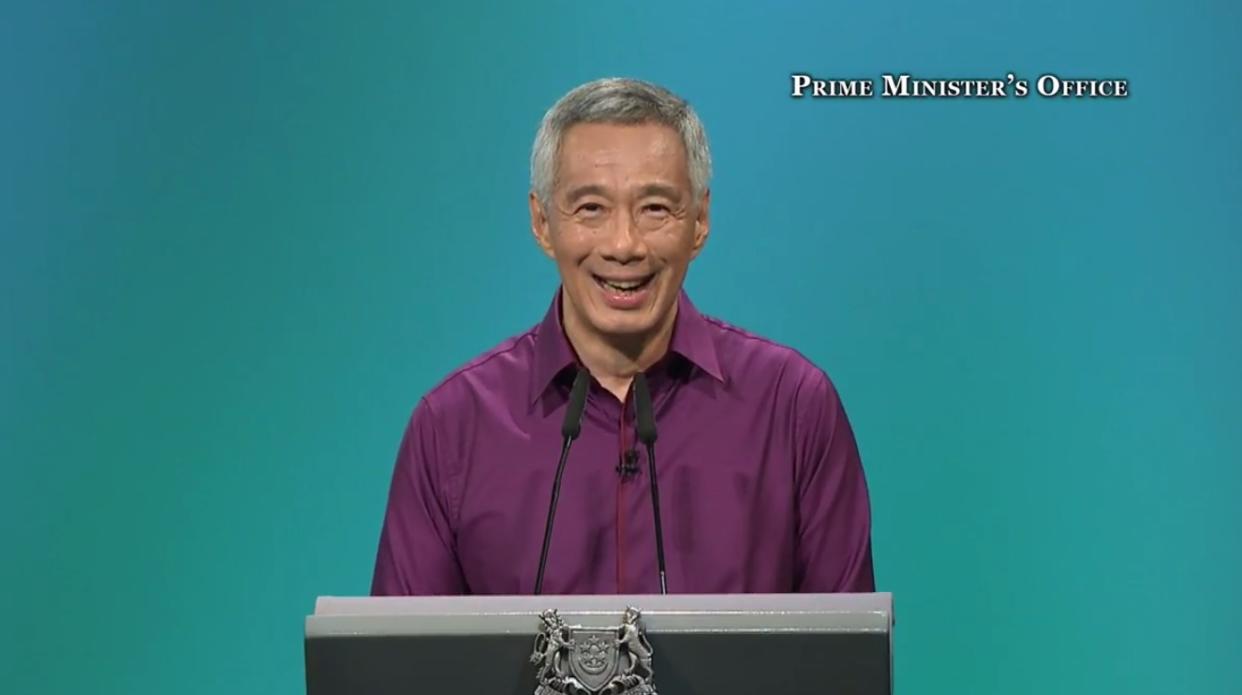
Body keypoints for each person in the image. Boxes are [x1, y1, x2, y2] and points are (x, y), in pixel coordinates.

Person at [371, 77, 874, 596]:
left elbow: (846, 663)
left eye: (655, 208)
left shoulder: (792, 409)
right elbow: (399, 670)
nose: (623, 244)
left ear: (699, 222)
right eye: (590, 208)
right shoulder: (452, 429)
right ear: (542, 223)